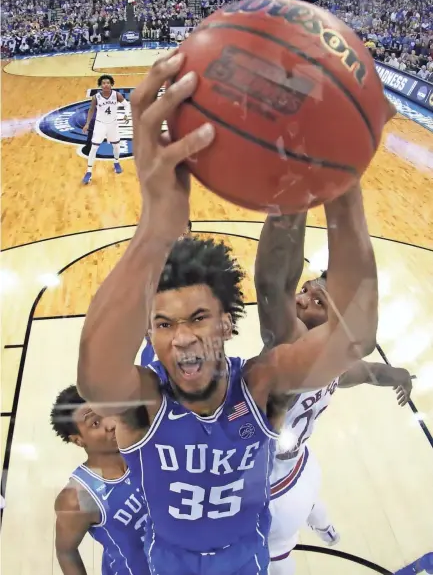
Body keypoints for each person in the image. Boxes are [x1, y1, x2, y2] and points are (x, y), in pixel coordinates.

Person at [77, 51, 381, 575]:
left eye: (198, 318)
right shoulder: (146, 402)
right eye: (164, 325)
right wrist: (155, 226)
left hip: (243, 560)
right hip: (164, 563)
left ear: (226, 323)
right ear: (149, 333)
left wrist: (342, 181)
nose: (183, 339)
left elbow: (354, 335)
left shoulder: (261, 385)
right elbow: (94, 377)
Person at [254, 212, 413, 575]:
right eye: (307, 289)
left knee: (276, 561)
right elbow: (373, 373)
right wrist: (402, 376)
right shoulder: (336, 368)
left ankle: (320, 527)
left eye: (317, 302)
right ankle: (327, 529)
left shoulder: (294, 354)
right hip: (302, 467)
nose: (302, 298)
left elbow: (272, 281)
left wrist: (293, 200)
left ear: (334, 324)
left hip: (273, 490)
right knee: (312, 506)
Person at [51, 386, 149, 575]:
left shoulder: (143, 447)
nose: (112, 423)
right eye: (95, 422)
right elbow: (66, 552)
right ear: (78, 440)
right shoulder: (81, 495)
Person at [82, 75, 131, 185]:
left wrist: (126, 115)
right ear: (100, 85)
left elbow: (127, 105)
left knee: (116, 146)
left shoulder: (116, 95)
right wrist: (87, 123)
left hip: (113, 124)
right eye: (103, 83)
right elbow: (91, 111)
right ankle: (89, 172)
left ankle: (116, 162)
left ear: (111, 84)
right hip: (100, 124)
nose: (106, 84)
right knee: (94, 147)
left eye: (108, 82)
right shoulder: (96, 97)